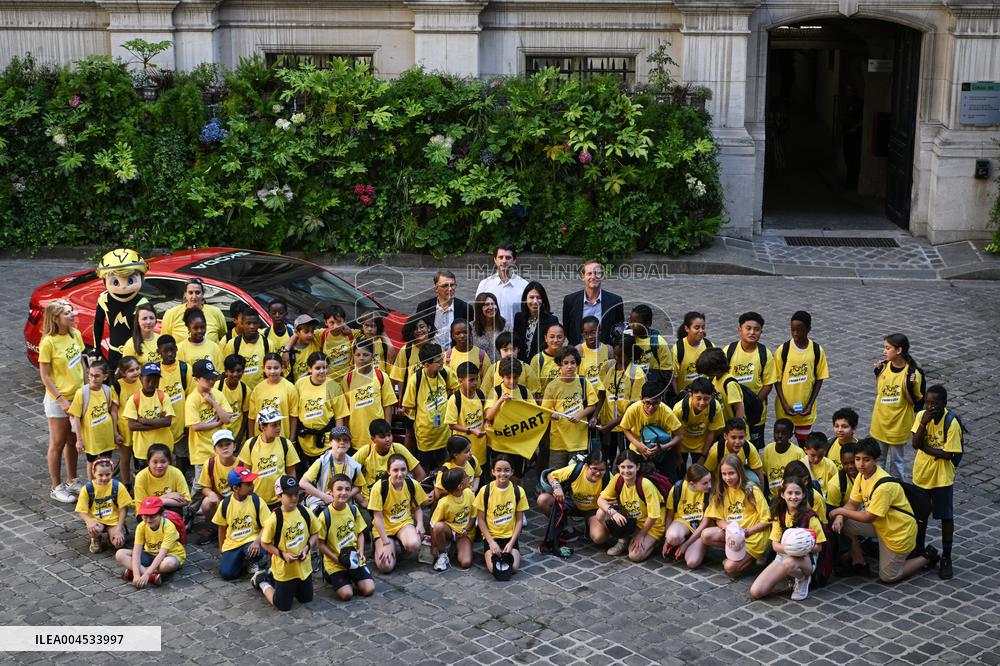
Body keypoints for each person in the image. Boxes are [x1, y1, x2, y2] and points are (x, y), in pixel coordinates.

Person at [829, 438, 937, 583]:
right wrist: (841, 516)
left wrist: (839, 511)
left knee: (888, 576)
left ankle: (927, 556)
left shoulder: (884, 486)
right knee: (846, 524)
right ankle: (860, 564)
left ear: (876, 460)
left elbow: (868, 517)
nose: (860, 464)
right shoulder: (862, 475)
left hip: (897, 532)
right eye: (858, 459)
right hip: (881, 525)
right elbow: (853, 503)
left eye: (866, 460)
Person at [911, 385, 961, 579]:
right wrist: (923, 424)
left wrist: (927, 448)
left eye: (935, 403)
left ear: (944, 404)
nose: (930, 407)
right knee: (920, 516)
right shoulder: (921, 416)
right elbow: (915, 444)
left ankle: (946, 557)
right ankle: (920, 552)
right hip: (922, 475)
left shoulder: (951, 423)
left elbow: (949, 453)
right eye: (928, 403)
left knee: (946, 516)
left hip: (942, 478)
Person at [749, 476, 826, 600]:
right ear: (782, 494)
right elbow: (775, 545)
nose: (793, 497)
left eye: (797, 493)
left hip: (805, 559)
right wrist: (791, 548)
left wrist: (803, 547)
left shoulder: (810, 517)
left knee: (788, 563)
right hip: (783, 555)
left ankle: (802, 578)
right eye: (789, 493)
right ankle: (791, 574)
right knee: (756, 591)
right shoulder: (779, 515)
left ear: (803, 494)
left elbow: (819, 546)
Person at [39, 298, 85, 503]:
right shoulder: (48, 342)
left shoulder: (75, 335)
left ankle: (72, 480)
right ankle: (56, 486)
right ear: (56, 318)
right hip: (59, 400)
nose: (72, 314)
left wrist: (85, 390)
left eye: (72, 311)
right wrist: (61, 400)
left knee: (72, 440)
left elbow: (81, 363)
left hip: (77, 396)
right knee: (57, 443)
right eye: (67, 313)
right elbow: (45, 376)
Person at [252, 475, 321, 611]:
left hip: (303, 567)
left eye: (296, 494)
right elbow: (265, 543)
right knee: (282, 605)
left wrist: (307, 548)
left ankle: (273, 576)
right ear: (279, 496)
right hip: (285, 569)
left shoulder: (304, 512)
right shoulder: (274, 519)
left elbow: (315, 533)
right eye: (289, 495)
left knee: (306, 599)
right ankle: (262, 581)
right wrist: (282, 555)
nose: (294, 498)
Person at [701, 454, 770, 577]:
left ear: (739, 472)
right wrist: (730, 529)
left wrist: (747, 531)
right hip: (734, 533)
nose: (727, 478)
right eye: (724, 474)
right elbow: (718, 518)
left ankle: (755, 557)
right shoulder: (721, 491)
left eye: (731, 473)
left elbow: (767, 520)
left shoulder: (752, 490)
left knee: (730, 568)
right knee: (706, 535)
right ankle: (737, 553)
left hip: (753, 535)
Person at [871, 333, 924, 480]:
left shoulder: (912, 374)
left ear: (899, 350)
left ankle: (897, 494)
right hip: (880, 422)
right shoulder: (883, 367)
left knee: (897, 464)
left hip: (899, 425)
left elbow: (916, 399)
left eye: (887, 348)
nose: (884, 351)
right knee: (878, 462)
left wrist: (912, 384)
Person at [596, 450, 664, 562]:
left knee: (634, 556)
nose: (626, 471)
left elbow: (654, 516)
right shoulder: (618, 479)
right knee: (601, 513)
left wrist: (641, 535)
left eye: (630, 467)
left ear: (637, 467)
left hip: (651, 525)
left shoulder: (645, 484)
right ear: (618, 467)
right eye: (623, 467)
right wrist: (613, 512)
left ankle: (656, 541)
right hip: (632, 521)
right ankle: (623, 539)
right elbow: (600, 499)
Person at [317, 473, 375, 600]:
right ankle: (332, 576)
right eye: (339, 489)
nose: (343, 492)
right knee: (346, 594)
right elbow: (320, 544)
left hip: (353, 559)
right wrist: (336, 558)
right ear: (331, 492)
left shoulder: (353, 510)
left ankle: (351, 576)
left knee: (369, 589)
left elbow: (360, 533)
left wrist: (360, 550)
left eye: (347, 489)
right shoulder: (325, 516)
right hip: (335, 562)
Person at [774, 310, 830, 443]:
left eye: (800, 330)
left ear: (809, 329)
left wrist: (810, 405)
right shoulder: (784, 350)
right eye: (792, 329)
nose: (795, 333)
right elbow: (777, 379)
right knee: (783, 444)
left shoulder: (816, 350)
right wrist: (784, 404)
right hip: (784, 410)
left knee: (804, 445)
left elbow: (819, 378)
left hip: (805, 411)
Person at [723, 312, 777, 449]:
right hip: (732, 411)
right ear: (740, 330)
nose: (752, 332)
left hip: (756, 415)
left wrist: (753, 404)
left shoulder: (765, 354)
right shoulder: (729, 351)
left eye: (756, 329)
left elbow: (768, 384)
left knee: (752, 448)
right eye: (748, 328)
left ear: (761, 332)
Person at [401, 343, 458, 472]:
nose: (441, 362)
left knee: (444, 466)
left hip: (444, 432)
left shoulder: (445, 373)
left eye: (441, 359)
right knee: (424, 468)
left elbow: (455, 388)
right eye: (438, 361)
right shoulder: (416, 379)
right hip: (425, 434)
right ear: (426, 364)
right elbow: (408, 405)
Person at [369, 454, 427, 574]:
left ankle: (399, 542)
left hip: (403, 524)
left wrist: (420, 524)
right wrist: (385, 542)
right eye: (395, 470)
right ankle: (384, 543)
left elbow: (417, 508)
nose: (400, 474)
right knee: (385, 567)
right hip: (384, 528)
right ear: (388, 471)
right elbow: (377, 518)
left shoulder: (412, 484)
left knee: (415, 544)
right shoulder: (379, 488)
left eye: (403, 469)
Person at [483, 357, 537, 484]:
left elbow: (534, 414)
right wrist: (500, 401)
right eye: (508, 377)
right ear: (502, 376)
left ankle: (519, 501)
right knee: (498, 477)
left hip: (518, 445)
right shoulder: (495, 391)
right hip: (499, 443)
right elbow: (488, 416)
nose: (512, 381)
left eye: (515, 377)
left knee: (518, 478)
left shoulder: (525, 392)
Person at [543, 346, 598, 469]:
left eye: (573, 362)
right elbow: (546, 411)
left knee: (576, 474)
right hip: (558, 441)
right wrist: (552, 414)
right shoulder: (552, 386)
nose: (569, 366)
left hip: (579, 442)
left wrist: (580, 414)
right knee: (555, 475)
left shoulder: (584, 382)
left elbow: (592, 405)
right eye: (565, 363)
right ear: (559, 365)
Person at [536, 450, 609, 543]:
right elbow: (550, 475)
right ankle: (563, 526)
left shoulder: (608, 478)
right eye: (594, 469)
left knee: (600, 538)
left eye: (602, 470)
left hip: (593, 510)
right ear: (586, 466)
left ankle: (590, 525)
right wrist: (557, 487)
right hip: (571, 503)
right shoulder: (576, 470)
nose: (598, 473)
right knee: (543, 500)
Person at [185, 359, 233, 498]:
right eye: (207, 379)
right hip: (201, 450)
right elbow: (196, 426)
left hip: (219, 448)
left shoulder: (217, 394)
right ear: (196, 379)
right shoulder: (192, 400)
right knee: (200, 484)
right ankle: (191, 511)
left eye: (213, 378)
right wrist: (217, 424)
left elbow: (227, 419)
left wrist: (213, 402)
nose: (211, 381)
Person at [295, 352, 349, 473]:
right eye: (317, 368)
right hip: (304, 440)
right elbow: (294, 412)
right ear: (309, 369)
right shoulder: (300, 385)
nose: (322, 371)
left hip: (326, 441)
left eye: (324, 367)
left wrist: (338, 442)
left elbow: (340, 416)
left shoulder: (334, 387)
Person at [476, 455, 529, 577]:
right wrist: (491, 543)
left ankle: (509, 551)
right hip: (492, 537)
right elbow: (481, 520)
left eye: (506, 470)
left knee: (513, 568)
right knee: (494, 569)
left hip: (509, 537)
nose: (502, 474)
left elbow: (520, 520)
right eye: (498, 470)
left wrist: (511, 543)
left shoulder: (518, 491)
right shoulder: (485, 491)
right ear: (493, 471)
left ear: (512, 472)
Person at [68, 359, 122, 480]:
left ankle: (106, 485)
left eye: (97, 376)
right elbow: (76, 417)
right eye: (90, 375)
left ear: (105, 376)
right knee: (91, 463)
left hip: (106, 435)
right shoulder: (82, 393)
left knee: (107, 461)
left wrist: (115, 432)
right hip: (91, 437)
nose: (93, 379)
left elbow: (113, 412)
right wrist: (79, 440)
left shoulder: (108, 391)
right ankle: (92, 487)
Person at [116, 496, 186, 588]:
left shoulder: (169, 527)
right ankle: (151, 576)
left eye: (152, 516)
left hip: (169, 555)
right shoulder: (141, 526)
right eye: (145, 516)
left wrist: (146, 575)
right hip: (150, 554)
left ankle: (135, 569)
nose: (148, 520)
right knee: (120, 554)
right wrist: (137, 575)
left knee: (169, 564)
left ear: (161, 514)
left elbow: (162, 554)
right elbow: (137, 551)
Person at [214, 466, 270, 579]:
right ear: (236, 488)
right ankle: (241, 560)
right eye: (248, 484)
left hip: (251, 540)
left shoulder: (256, 500)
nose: (252, 486)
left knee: (256, 552)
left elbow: (267, 526)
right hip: (233, 543)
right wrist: (222, 549)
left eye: (252, 482)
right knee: (227, 574)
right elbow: (222, 528)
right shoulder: (225, 504)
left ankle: (252, 560)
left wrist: (257, 542)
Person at [238, 407, 300, 509]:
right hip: (257, 501)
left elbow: (291, 473)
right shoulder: (250, 444)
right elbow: (246, 474)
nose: (278, 428)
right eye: (274, 425)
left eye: (279, 424)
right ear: (263, 427)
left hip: (280, 501)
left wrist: (290, 495)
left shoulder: (286, 444)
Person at [352, 419, 427, 504]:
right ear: (373, 439)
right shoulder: (366, 450)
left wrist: (410, 496)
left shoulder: (398, 448)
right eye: (382, 437)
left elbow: (421, 474)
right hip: (370, 500)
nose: (388, 439)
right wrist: (361, 500)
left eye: (389, 435)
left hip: (396, 501)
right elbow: (345, 471)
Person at [390, 314, 435, 452]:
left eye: (422, 326)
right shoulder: (407, 350)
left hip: (431, 401)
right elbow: (398, 378)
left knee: (433, 432)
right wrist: (400, 403)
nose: (419, 331)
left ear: (428, 327)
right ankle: (408, 463)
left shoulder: (436, 349)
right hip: (412, 402)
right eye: (415, 328)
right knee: (410, 433)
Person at [597, 339, 646, 464]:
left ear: (629, 355)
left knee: (627, 458)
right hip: (607, 423)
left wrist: (611, 425)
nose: (616, 357)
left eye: (620, 355)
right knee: (607, 458)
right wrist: (594, 416)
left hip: (626, 426)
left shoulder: (636, 373)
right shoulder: (607, 367)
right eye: (614, 354)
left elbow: (633, 407)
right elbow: (601, 394)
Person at [620, 382, 683, 475]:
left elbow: (679, 436)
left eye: (655, 403)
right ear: (641, 399)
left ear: (660, 400)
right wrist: (638, 445)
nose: (651, 407)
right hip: (638, 450)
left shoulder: (666, 412)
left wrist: (663, 447)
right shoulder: (633, 409)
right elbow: (625, 429)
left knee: (669, 480)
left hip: (663, 451)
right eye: (647, 403)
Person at [300, 426, 366, 513]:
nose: (342, 442)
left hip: (344, 501)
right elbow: (303, 483)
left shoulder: (354, 465)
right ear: (330, 443)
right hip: (323, 500)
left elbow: (358, 487)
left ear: (349, 444)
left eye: (345, 440)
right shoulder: (322, 462)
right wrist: (323, 496)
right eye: (338, 440)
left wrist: (345, 495)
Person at [122, 363, 175, 468]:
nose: (151, 384)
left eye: (155, 381)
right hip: (143, 450)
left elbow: (167, 422)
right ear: (141, 379)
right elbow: (133, 426)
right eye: (148, 380)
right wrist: (159, 422)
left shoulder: (163, 396)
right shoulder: (134, 399)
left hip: (163, 447)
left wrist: (145, 421)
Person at [561, 259, 624, 346]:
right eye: (589, 273)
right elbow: (567, 329)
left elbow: (618, 329)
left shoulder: (615, 301)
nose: (593, 277)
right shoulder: (570, 301)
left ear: (602, 276)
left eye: (597, 273)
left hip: (604, 354)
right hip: (578, 354)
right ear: (583, 276)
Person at [75, 457, 131, 554]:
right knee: (94, 529)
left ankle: (112, 535)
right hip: (96, 521)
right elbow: (81, 511)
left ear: (112, 472)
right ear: (94, 473)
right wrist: (90, 521)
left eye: (107, 474)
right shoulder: (87, 489)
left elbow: (123, 509)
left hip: (114, 521)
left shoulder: (118, 486)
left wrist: (118, 528)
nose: (104, 478)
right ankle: (96, 538)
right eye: (100, 475)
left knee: (119, 544)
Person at [661, 464, 712, 569]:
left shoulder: (710, 493)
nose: (710, 485)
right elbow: (669, 515)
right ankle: (680, 540)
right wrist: (666, 539)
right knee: (672, 537)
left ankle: (696, 544)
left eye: (710, 481)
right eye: (705, 483)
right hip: (682, 522)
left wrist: (686, 545)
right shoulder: (678, 488)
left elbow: (705, 524)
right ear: (692, 484)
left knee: (692, 563)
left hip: (701, 528)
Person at [195, 429, 239, 542]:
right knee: (206, 503)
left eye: (228, 444)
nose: (225, 448)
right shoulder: (210, 463)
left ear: (234, 446)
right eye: (220, 445)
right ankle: (213, 527)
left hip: (238, 500)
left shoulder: (242, 464)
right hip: (219, 498)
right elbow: (204, 487)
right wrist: (210, 494)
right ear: (215, 449)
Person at [431, 467, 477, 571]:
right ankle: (443, 553)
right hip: (450, 530)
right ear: (460, 486)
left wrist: (466, 530)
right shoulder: (444, 502)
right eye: (466, 477)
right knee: (438, 527)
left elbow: (474, 516)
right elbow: (433, 524)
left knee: (465, 562)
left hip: (464, 533)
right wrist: (434, 546)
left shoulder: (469, 493)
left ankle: (455, 547)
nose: (468, 478)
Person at [415, 270, 474, 350]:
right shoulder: (424, 308)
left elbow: (469, 336)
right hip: (430, 358)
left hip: (455, 357)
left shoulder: (465, 308)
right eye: (445, 285)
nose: (450, 289)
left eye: (452, 285)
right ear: (436, 288)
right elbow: (418, 334)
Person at [444, 363, 488, 468]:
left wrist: (487, 424)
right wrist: (471, 430)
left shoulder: (480, 394)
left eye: (476, 379)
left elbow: (486, 416)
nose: (475, 383)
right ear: (460, 381)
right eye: (471, 380)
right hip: (462, 453)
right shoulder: (455, 399)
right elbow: (452, 424)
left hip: (480, 449)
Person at [475, 243, 528, 329]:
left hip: (514, 337)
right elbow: (478, 313)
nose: (504, 261)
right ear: (495, 260)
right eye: (500, 257)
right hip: (489, 337)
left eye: (508, 257)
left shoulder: (524, 286)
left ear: (514, 260)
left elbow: (527, 314)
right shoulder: (484, 285)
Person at [673, 377, 725, 465]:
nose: (702, 403)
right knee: (680, 471)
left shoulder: (715, 407)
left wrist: (703, 456)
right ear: (691, 395)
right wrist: (678, 457)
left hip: (701, 445)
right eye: (698, 398)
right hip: (681, 443)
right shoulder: (679, 409)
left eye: (706, 399)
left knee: (699, 474)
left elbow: (711, 432)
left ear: (712, 397)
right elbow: (674, 434)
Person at [703, 418, 765, 490]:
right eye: (733, 437)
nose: (737, 442)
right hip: (722, 478)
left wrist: (761, 495)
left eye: (741, 437)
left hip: (739, 473)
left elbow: (759, 472)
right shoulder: (716, 450)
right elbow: (708, 472)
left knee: (755, 480)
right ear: (725, 436)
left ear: (746, 435)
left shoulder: (748, 447)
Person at [248, 353, 298, 442]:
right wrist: (252, 439)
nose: (272, 371)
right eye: (269, 368)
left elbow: (293, 416)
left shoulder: (289, 388)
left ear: (282, 368)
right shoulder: (257, 389)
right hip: (261, 439)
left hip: (282, 438)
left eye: (276, 368)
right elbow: (252, 417)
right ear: (263, 369)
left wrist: (292, 438)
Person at [160, 278, 227, 344]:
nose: (194, 296)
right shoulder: (171, 314)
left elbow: (224, 339)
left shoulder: (216, 312)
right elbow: (165, 342)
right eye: (190, 292)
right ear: (185, 294)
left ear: (203, 294)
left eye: (197, 292)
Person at [132, 444, 191, 513]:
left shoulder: (176, 473)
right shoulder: (141, 477)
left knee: (175, 510)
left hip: (168, 507)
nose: (159, 465)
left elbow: (186, 500)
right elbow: (142, 504)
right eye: (155, 462)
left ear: (169, 461)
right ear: (148, 462)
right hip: (147, 512)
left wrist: (163, 501)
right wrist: (167, 496)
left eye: (163, 462)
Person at [480, 332, 541, 398]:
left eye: (513, 349)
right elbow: (485, 393)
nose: (510, 353)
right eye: (505, 350)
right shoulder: (493, 369)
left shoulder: (526, 368)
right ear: (498, 351)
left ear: (518, 350)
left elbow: (535, 394)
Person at [624, 304, 674, 386]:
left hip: (651, 386)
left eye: (636, 323)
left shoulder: (659, 343)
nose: (631, 325)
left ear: (648, 323)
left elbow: (667, 372)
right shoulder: (628, 339)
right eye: (630, 321)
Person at [512, 281, 559, 363]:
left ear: (543, 300)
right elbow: (516, 343)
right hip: (520, 365)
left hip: (541, 365)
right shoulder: (519, 317)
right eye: (531, 297)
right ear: (525, 299)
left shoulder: (551, 320)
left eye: (538, 297)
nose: (535, 301)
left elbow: (553, 347)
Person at [112, 355, 141, 485]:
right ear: (123, 373)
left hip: (140, 425)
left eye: (137, 369)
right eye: (131, 370)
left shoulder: (142, 381)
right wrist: (115, 432)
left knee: (140, 456)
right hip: (124, 427)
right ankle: (126, 483)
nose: (135, 372)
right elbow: (113, 410)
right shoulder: (118, 386)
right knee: (125, 458)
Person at [697, 348, 746, 423]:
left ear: (713, 369)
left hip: (734, 431)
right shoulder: (715, 379)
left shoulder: (729, 384)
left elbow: (739, 407)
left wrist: (736, 427)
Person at [760, 418, 806, 497]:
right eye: (777, 432)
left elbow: (804, 479)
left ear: (791, 435)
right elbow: (765, 474)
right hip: (773, 497)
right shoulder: (768, 449)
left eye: (784, 433)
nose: (780, 436)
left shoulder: (798, 453)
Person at [224, 308, 268, 389]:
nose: (252, 326)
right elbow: (227, 371)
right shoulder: (233, 344)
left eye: (254, 323)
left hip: (261, 391)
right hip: (240, 392)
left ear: (259, 324)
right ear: (242, 324)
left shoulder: (267, 343)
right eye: (248, 323)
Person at [432, 435, 482, 503]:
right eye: (466, 452)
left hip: (469, 502)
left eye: (470, 449)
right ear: (455, 455)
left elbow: (477, 475)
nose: (470, 453)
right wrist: (458, 492)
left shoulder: (472, 460)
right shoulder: (446, 470)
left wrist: (474, 488)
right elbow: (438, 493)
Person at [672, 311, 713, 393]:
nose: (701, 331)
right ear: (687, 328)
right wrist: (677, 397)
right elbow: (673, 379)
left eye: (703, 327)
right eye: (697, 328)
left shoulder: (709, 346)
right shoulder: (678, 349)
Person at [217, 354, 250, 445]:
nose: (235, 374)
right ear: (226, 371)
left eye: (239, 371)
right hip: (219, 435)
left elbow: (245, 415)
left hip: (237, 435)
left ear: (243, 371)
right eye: (231, 371)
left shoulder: (245, 390)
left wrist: (239, 436)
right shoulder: (217, 387)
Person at [281, 314, 323, 382]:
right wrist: (286, 351)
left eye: (312, 331)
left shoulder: (316, 338)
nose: (310, 334)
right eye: (306, 332)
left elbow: (332, 329)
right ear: (297, 332)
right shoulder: (290, 354)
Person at [320, 306, 356, 382]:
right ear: (325, 322)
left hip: (348, 380)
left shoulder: (352, 334)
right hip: (329, 381)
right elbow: (300, 332)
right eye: (331, 322)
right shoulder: (322, 334)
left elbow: (373, 333)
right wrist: (287, 350)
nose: (335, 326)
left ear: (344, 321)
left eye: (339, 322)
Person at [576, 316, 611, 390]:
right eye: (586, 333)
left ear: (599, 331)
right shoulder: (579, 351)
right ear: (583, 335)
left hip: (604, 397)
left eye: (593, 332)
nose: (590, 336)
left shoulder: (608, 350)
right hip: (587, 397)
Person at [531, 321, 567, 394]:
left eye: (559, 337)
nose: (555, 340)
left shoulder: (569, 357)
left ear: (564, 338)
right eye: (552, 337)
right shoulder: (538, 359)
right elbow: (534, 388)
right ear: (546, 338)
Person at [471, 293, 506, 363]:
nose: (491, 307)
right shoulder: (471, 327)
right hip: (480, 369)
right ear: (479, 308)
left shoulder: (506, 326)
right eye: (486, 305)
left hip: (501, 369)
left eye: (493, 304)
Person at [826, 442, 858, 510]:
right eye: (846, 463)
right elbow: (832, 512)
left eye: (853, 462)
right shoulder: (835, 485)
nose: (850, 467)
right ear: (841, 462)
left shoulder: (868, 474)